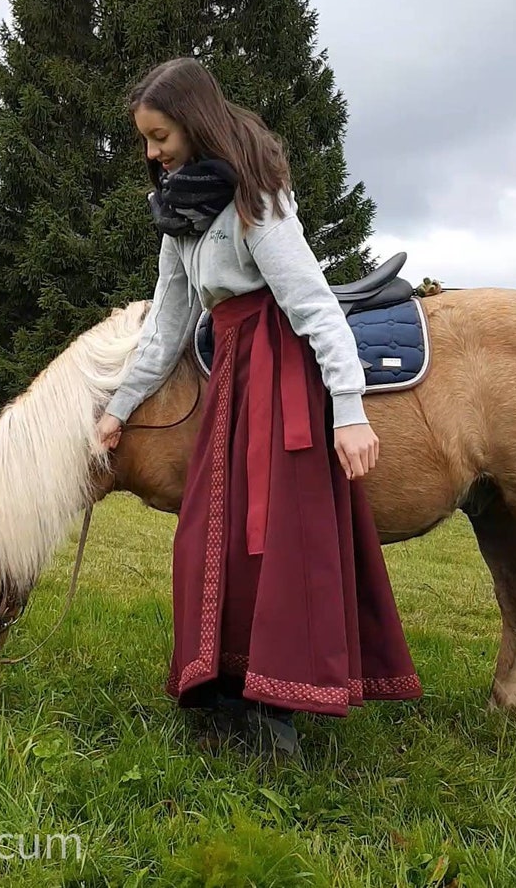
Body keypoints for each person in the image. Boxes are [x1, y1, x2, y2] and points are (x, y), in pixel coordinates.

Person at [96, 57, 422, 756]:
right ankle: (222, 690)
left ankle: (278, 718)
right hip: (232, 380)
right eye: (145, 141)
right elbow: (167, 327)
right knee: (206, 536)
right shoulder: (179, 218)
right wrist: (120, 406)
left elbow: (314, 305)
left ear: (193, 121)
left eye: (159, 136)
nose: (151, 153)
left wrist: (350, 410)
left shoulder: (257, 202)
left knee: (276, 539)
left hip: (279, 374)